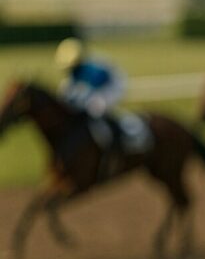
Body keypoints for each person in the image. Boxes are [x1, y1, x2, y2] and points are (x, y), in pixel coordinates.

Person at [55, 37, 150, 176]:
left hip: (113, 86)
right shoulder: (75, 71)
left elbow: (89, 92)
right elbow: (69, 90)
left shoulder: (94, 69)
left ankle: (117, 147)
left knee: (96, 109)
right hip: (98, 88)